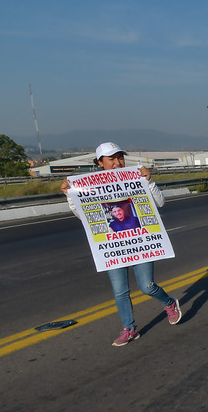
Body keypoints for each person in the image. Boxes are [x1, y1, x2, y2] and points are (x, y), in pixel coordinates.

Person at [62, 142, 181, 346]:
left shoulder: (136, 177)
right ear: (100, 163)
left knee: (147, 286)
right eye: (111, 159)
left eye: (120, 157)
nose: (117, 162)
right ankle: (129, 328)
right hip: (114, 247)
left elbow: (160, 203)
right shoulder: (89, 186)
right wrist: (70, 195)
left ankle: (169, 303)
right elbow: (84, 216)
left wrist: (149, 181)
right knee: (120, 291)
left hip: (140, 241)